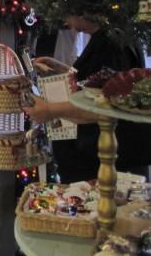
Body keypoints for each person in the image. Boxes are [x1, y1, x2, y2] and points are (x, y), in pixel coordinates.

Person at [25, 14, 151, 183]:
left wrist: (50, 110)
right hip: (101, 162)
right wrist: (66, 72)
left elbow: (110, 105)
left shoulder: (111, 44)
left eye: (68, 14)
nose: (67, 23)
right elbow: (97, 83)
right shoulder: (112, 36)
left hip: (105, 166)